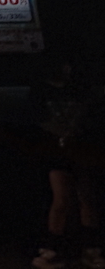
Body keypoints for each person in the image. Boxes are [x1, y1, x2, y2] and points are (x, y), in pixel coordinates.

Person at [30, 55, 105, 269]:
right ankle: (55, 249)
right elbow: (38, 121)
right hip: (57, 151)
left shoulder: (80, 89)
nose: (66, 69)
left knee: (85, 198)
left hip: (80, 149)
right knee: (63, 199)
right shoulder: (42, 91)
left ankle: (88, 249)